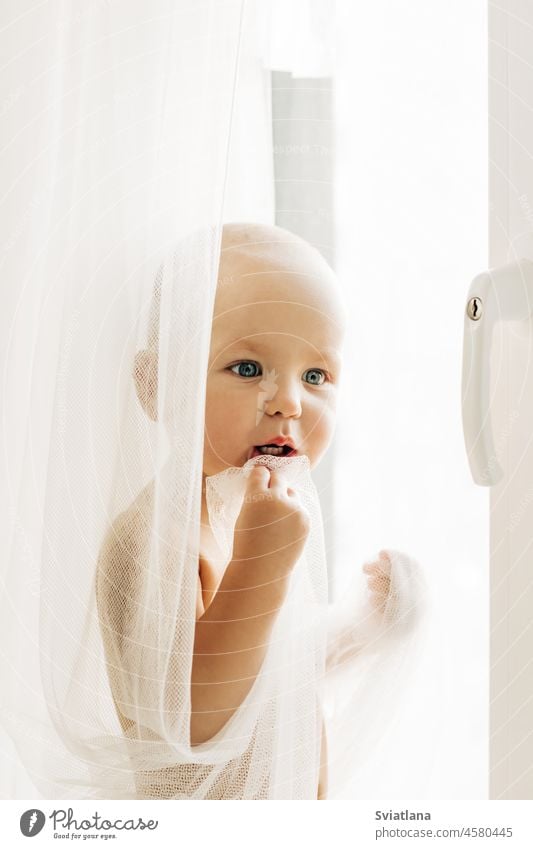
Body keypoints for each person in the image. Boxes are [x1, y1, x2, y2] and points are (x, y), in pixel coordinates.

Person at [96, 222, 409, 799]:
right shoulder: (158, 539)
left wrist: (370, 626)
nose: (289, 401)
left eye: (315, 375)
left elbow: (274, 675)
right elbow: (193, 724)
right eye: (247, 368)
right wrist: (261, 566)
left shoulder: (245, 510)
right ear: (158, 386)